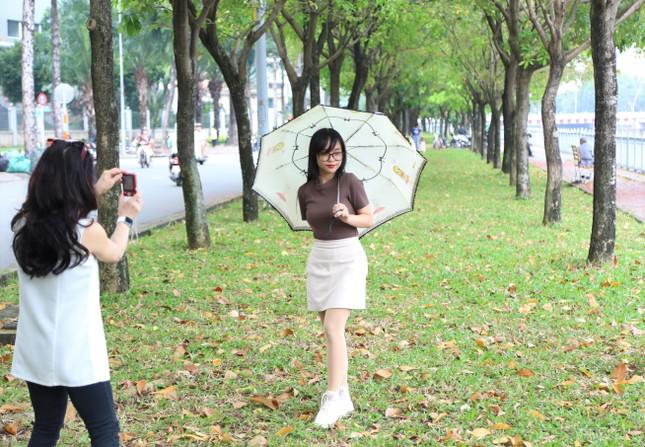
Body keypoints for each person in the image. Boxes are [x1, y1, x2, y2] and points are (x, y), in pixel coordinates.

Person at [10, 140, 143, 445]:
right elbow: (113, 253)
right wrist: (126, 216)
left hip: (37, 347)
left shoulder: (24, 225)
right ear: (76, 182)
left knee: (45, 427)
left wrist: (96, 189)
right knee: (105, 430)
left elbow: (60, 212)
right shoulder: (87, 230)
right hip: (78, 351)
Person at [297, 128, 373, 429]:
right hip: (320, 258)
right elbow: (309, 219)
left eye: (338, 153)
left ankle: (330, 399)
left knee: (333, 327)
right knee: (331, 334)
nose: (333, 159)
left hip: (348, 258)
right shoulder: (305, 190)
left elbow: (367, 218)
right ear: (315, 154)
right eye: (327, 153)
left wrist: (347, 216)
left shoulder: (350, 182)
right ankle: (344, 394)